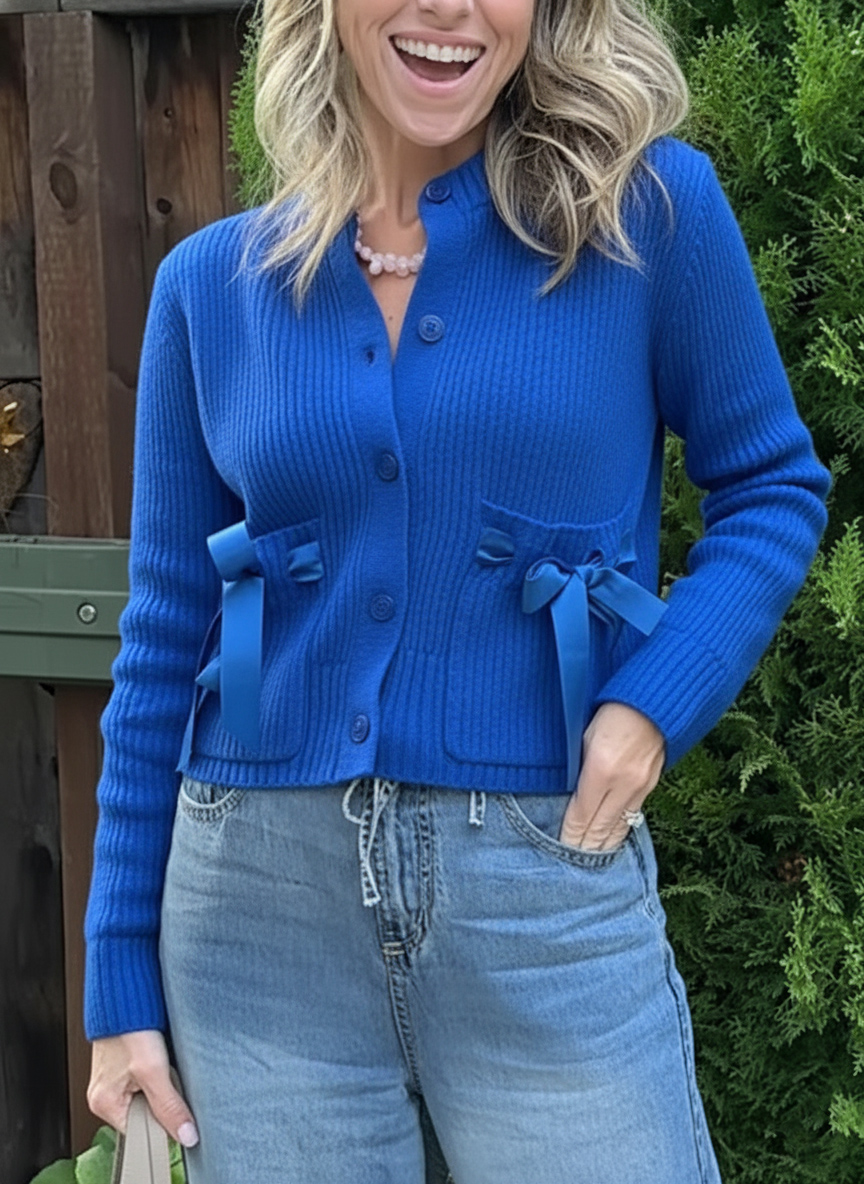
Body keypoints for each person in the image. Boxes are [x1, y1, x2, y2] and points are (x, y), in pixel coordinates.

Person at [83, 0, 831, 1180]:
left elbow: (772, 487)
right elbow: (165, 632)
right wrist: (118, 974)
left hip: (543, 885)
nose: (448, 9)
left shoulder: (643, 218)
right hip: (255, 915)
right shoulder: (211, 287)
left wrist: (651, 704)